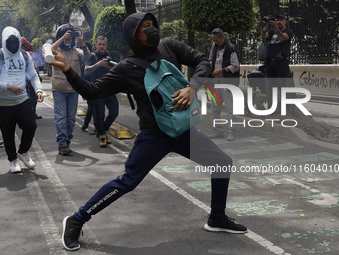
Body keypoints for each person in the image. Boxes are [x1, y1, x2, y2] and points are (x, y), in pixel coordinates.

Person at [49, 12, 247, 251]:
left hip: (183, 130)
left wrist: (194, 86)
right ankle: (76, 219)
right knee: (128, 182)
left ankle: (216, 218)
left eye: (152, 25)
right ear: (134, 36)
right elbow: (92, 91)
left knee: (222, 162)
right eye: (145, 28)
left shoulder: (169, 46)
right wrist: (70, 70)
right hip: (154, 136)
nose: (152, 30)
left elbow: (202, 60)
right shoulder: (126, 68)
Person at [0, 26, 44, 173]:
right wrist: (8, 86)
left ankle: (23, 152)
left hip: (22, 99)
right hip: (4, 102)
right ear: (4, 41)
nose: (13, 44)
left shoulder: (25, 56)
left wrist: (38, 90)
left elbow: (32, 75)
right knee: (8, 133)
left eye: (15, 41)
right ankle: (12, 160)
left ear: (19, 40)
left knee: (31, 126)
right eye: (9, 42)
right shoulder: (0, 55)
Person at [51, 24, 91, 155]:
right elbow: (50, 51)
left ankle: (67, 141)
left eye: (70, 37)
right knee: (61, 117)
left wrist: (82, 43)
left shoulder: (77, 52)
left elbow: (87, 57)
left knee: (70, 118)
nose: (68, 40)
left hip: (73, 90)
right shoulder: (56, 52)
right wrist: (62, 38)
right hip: (59, 90)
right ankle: (62, 143)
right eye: (66, 37)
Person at [84, 36, 119, 147]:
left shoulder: (110, 56)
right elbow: (86, 71)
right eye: (99, 44)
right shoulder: (92, 56)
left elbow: (119, 69)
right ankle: (102, 137)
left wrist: (112, 68)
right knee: (99, 115)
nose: (102, 46)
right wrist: (97, 65)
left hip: (109, 89)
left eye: (103, 44)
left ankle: (101, 130)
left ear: (106, 45)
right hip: (97, 90)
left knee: (114, 112)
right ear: (95, 45)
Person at [208, 28, 240, 141]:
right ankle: (218, 131)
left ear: (223, 38)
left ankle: (231, 132)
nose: (216, 42)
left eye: (217, 40)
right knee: (215, 108)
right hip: (216, 82)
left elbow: (235, 66)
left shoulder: (231, 49)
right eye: (214, 40)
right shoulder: (214, 46)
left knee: (230, 108)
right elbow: (211, 60)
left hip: (227, 83)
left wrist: (222, 70)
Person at [261, 14, 293, 112]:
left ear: (285, 22)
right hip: (270, 62)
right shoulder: (271, 32)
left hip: (281, 62)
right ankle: (271, 108)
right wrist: (266, 26)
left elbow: (282, 38)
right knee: (270, 86)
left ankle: (282, 108)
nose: (278, 22)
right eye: (277, 20)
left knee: (281, 86)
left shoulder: (288, 31)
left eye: (281, 20)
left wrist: (275, 27)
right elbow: (263, 35)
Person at [21, 37, 43, 119]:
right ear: (25, 45)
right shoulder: (30, 54)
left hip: (24, 81)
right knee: (33, 98)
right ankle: (31, 113)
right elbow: (39, 63)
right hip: (30, 80)